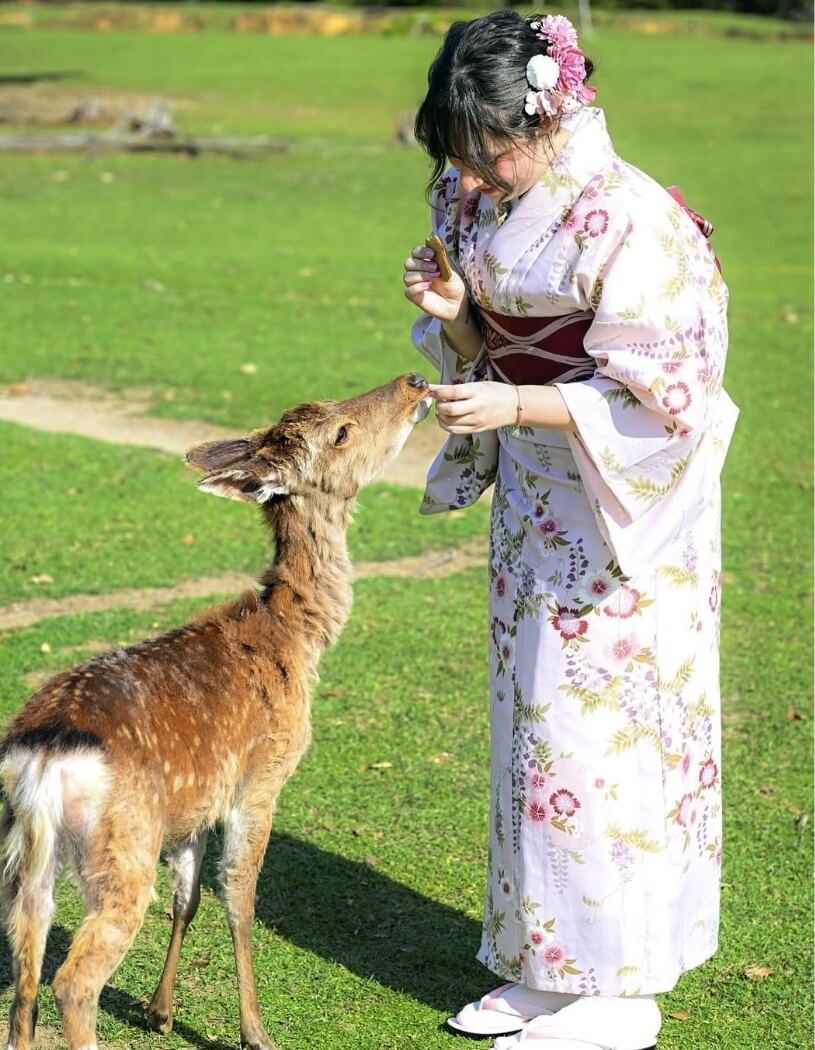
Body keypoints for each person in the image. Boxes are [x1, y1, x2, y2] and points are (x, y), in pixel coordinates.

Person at [403, 11, 738, 1050]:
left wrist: (515, 405)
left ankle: (621, 985)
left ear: (548, 113)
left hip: (624, 505)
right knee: (533, 727)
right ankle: (546, 964)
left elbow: (668, 397)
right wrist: (458, 318)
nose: (478, 172)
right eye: (463, 153)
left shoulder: (630, 220)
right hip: (539, 498)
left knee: (605, 737)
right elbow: (488, 339)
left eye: (493, 148)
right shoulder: (479, 191)